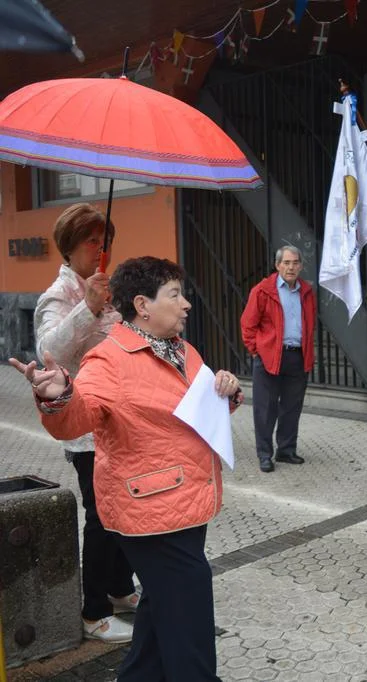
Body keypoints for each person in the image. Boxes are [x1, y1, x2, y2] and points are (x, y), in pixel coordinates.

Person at [11, 256, 243, 682]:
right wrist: (58, 396)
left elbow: (195, 408)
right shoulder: (109, 359)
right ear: (142, 305)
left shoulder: (182, 349)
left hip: (188, 502)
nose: (186, 304)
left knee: (160, 613)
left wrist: (225, 390)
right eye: (175, 295)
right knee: (189, 621)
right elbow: (77, 418)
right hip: (150, 511)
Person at [34, 203, 137, 643]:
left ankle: (120, 588)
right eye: (92, 241)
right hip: (86, 430)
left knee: (123, 510)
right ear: (70, 246)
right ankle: (94, 612)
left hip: (119, 422)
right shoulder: (59, 295)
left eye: (105, 240)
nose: (100, 248)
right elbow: (48, 351)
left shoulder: (105, 288)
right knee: (100, 517)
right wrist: (87, 308)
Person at [240, 245, 315, 473]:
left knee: (292, 407)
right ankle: (265, 454)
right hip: (269, 356)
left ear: (301, 266)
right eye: (286, 263)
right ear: (277, 265)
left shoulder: (306, 291)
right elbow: (248, 324)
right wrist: (257, 350)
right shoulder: (262, 290)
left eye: (295, 263)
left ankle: (286, 450)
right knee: (265, 408)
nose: (291, 267)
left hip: (297, 356)